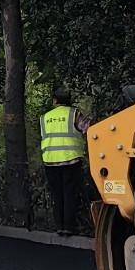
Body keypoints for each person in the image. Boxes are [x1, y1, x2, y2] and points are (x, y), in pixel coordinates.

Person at [40, 89, 88, 236]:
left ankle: (59, 225)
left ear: (55, 100)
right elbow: (87, 129)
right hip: (70, 159)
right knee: (69, 193)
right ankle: (68, 227)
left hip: (50, 161)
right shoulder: (74, 114)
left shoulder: (45, 117)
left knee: (57, 194)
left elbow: (43, 136)